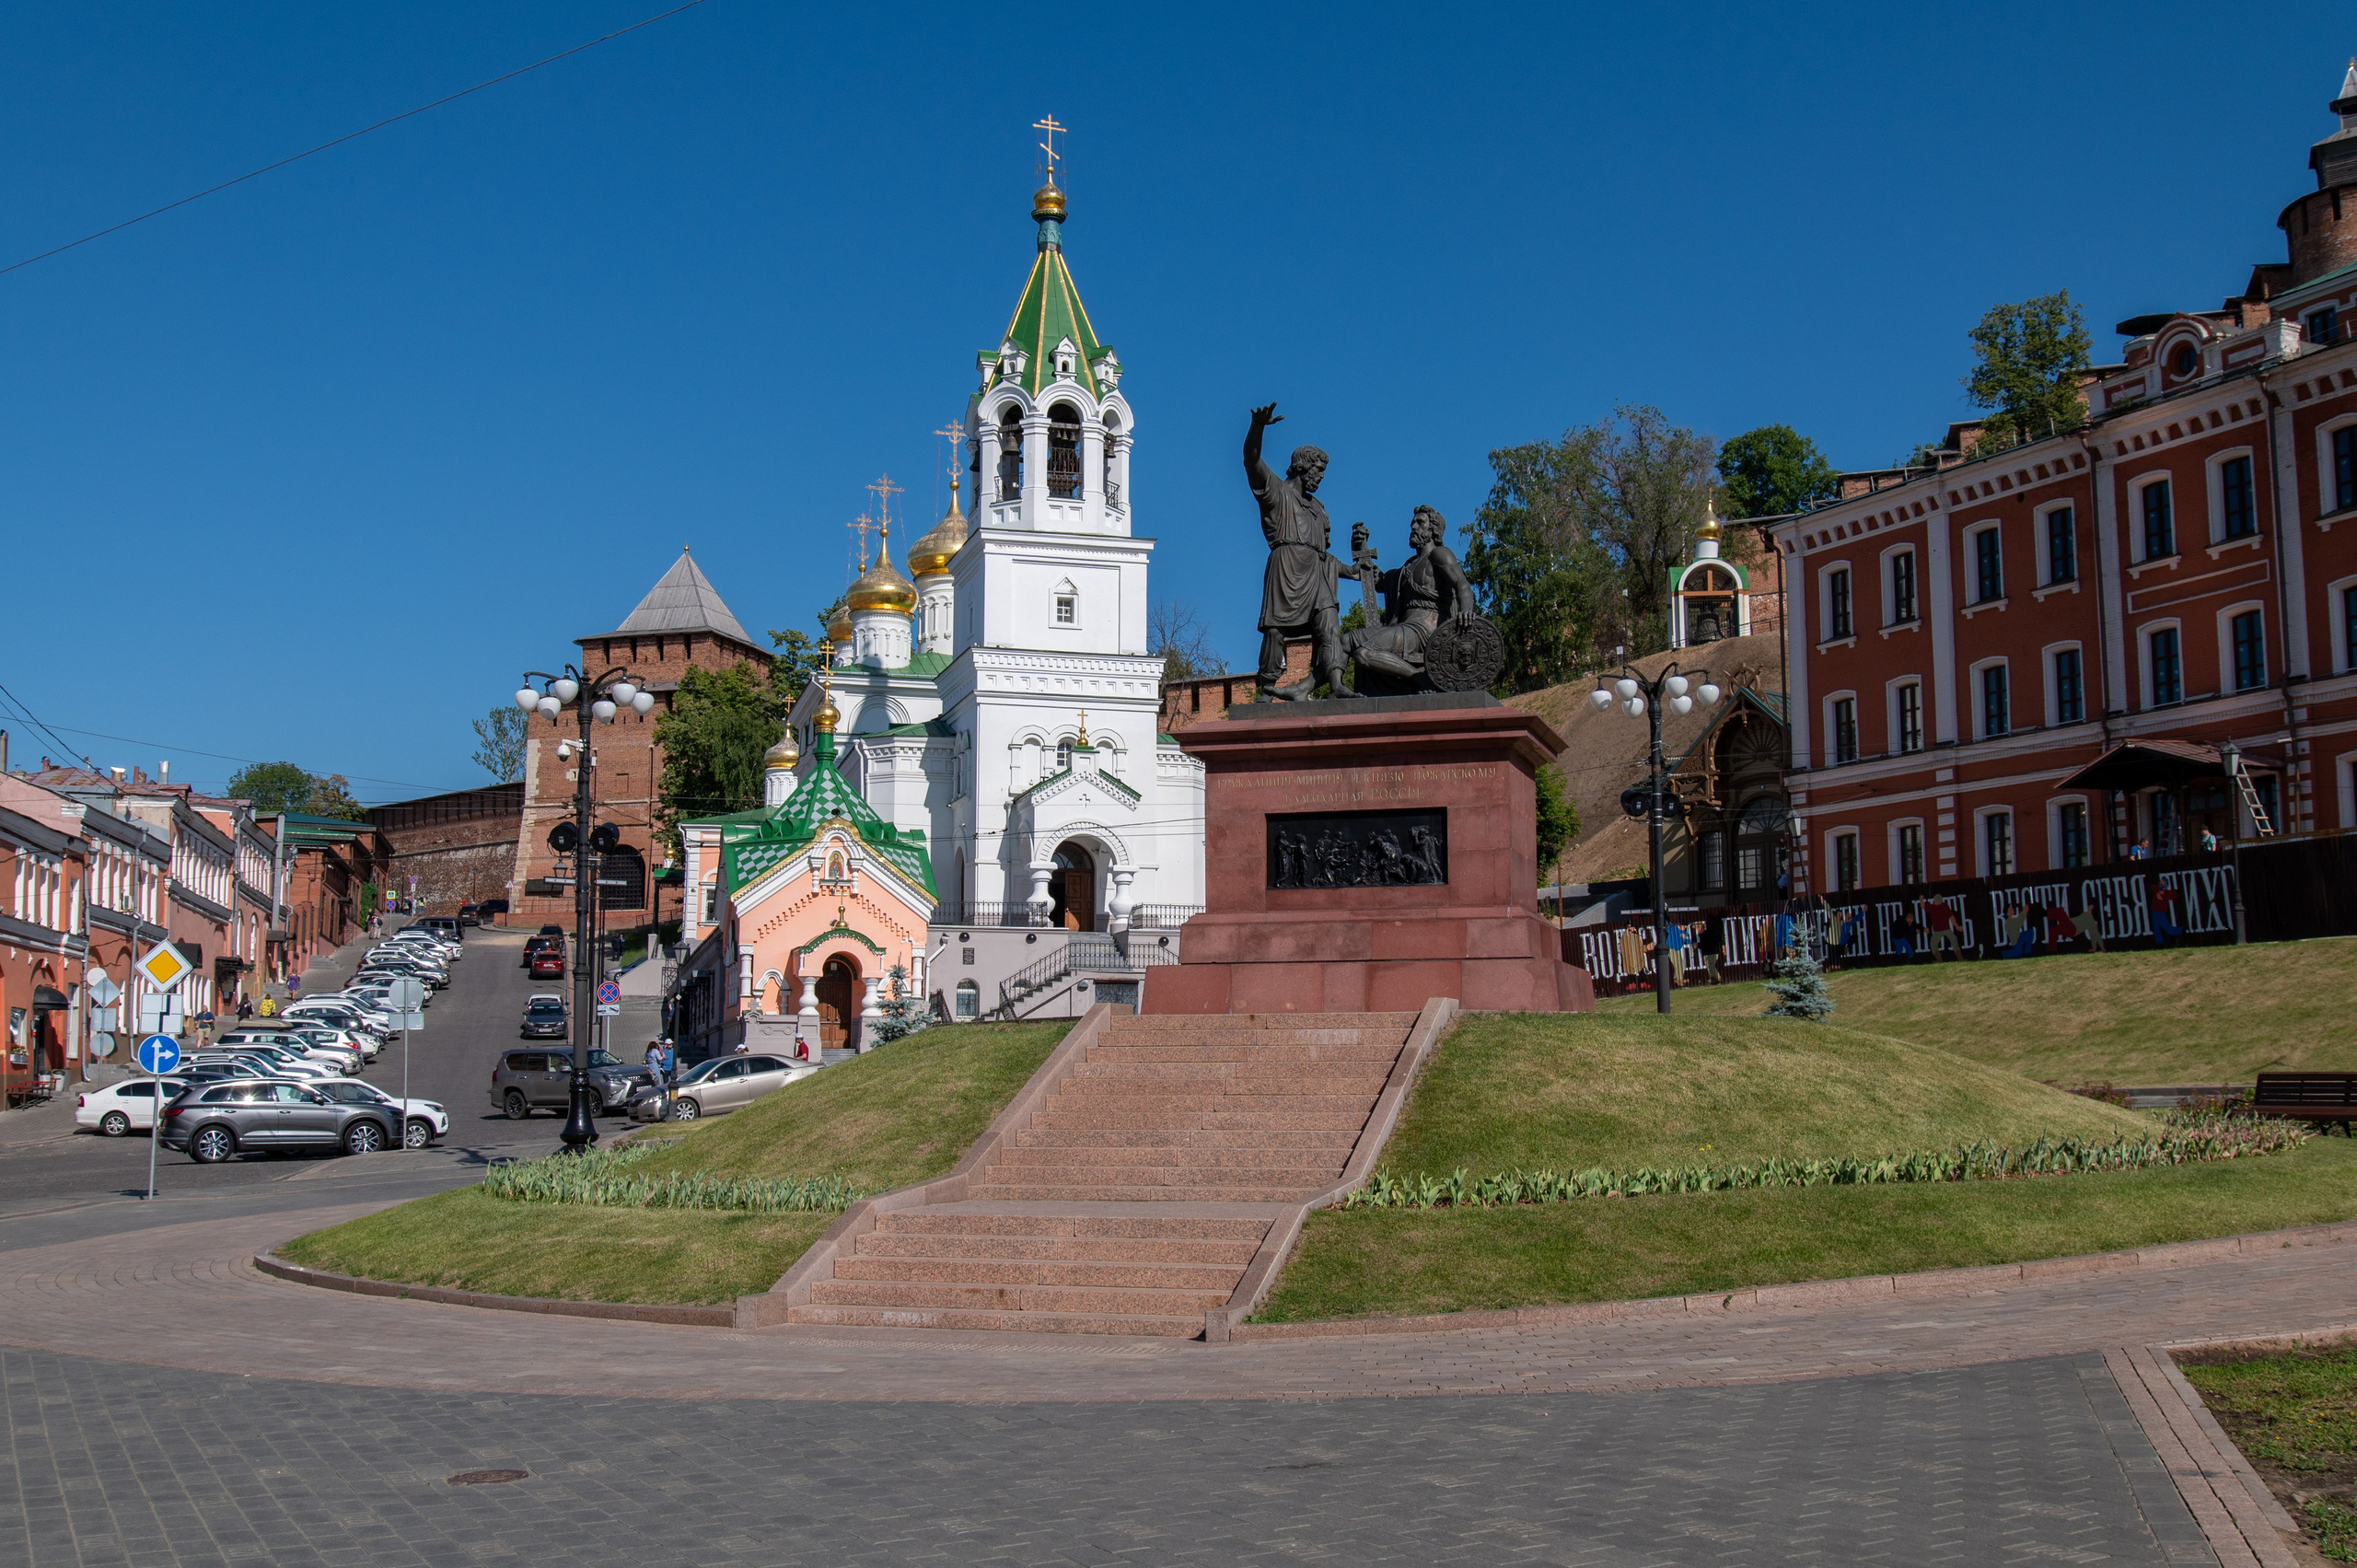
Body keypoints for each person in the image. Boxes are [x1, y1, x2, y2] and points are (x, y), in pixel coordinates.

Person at [1243, 402, 1353, 701]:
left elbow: (1326, 555)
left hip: (1316, 575)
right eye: (1318, 471)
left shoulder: (1318, 509)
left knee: (1329, 622)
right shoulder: (1276, 492)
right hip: (1286, 568)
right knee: (1275, 631)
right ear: (1302, 467)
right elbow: (1251, 462)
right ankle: (1266, 690)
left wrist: (1351, 571)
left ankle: (1336, 684)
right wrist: (1258, 427)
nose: (1320, 478)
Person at [1699, 917, 1725, 984]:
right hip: (1715, 952)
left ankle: (1717, 978)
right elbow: (1720, 941)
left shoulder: (1704, 935)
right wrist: (1723, 948)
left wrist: (1697, 945)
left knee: (1710, 966)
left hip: (1708, 953)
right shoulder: (1715, 932)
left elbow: (1704, 944)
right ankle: (1714, 979)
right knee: (1712, 966)